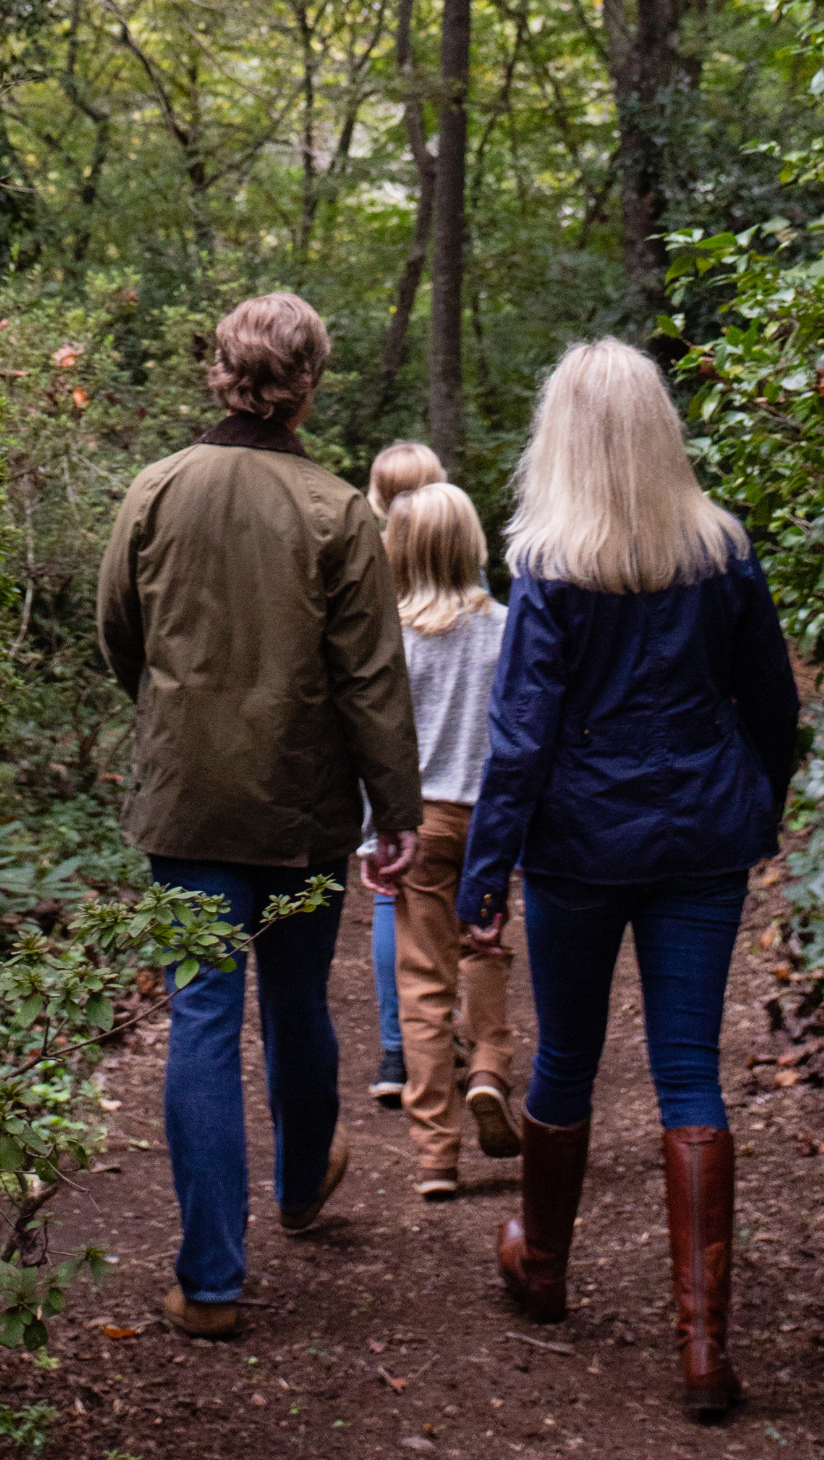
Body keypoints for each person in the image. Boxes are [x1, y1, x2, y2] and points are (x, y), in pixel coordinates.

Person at [456, 339, 799, 1418]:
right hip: (699, 834)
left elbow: (520, 734)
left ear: (561, 435)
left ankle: (543, 1265)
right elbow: (773, 703)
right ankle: (703, 1353)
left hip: (579, 841)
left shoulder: (550, 562)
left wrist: (487, 866)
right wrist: (758, 799)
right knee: (688, 1070)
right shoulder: (720, 549)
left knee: (566, 1051)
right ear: (659, 430)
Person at [97, 292, 423, 1342]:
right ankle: (296, 1186)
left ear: (218, 374)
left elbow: (118, 631)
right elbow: (371, 677)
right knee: (294, 1006)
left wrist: (172, 718)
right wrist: (397, 807)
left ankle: (211, 1281)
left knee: (200, 1018)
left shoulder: (156, 488)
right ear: (308, 382)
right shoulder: (336, 510)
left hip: (188, 800)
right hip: (303, 805)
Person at [360, 482, 520, 1200]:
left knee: (423, 982)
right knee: (484, 944)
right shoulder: (508, 628)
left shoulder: (389, 637)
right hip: (488, 817)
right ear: (472, 545)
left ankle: (436, 1154)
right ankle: (488, 1069)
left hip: (417, 818)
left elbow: (376, 743)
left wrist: (372, 836)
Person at [359, 440, 449, 1107]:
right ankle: (461, 1043)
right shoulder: (467, 596)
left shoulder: (368, 583)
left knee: (392, 901)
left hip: (392, 780)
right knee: (464, 915)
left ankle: (399, 1051)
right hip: (462, 794)